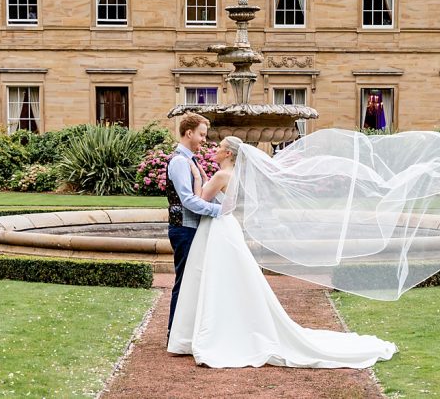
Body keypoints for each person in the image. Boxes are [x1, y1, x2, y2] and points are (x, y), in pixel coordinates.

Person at [167, 134, 398, 368]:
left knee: (214, 277)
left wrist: (196, 176)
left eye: (220, 147)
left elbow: (198, 199)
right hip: (228, 227)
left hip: (216, 227)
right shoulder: (233, 174)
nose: (214, 149)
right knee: (229, 278)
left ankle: (211, 331)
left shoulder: (221, 175)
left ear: (228, 154)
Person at [164, 112, 222, 335]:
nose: (204, 140)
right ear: (189, 133)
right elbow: (188, 201)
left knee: (193, 281)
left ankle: (186, 331)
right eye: (201, 135)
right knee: (184, 281)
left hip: (192, 228)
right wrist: (220, 211)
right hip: (183, 229)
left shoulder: (191, 160)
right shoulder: (179, 161)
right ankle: (174, 332)